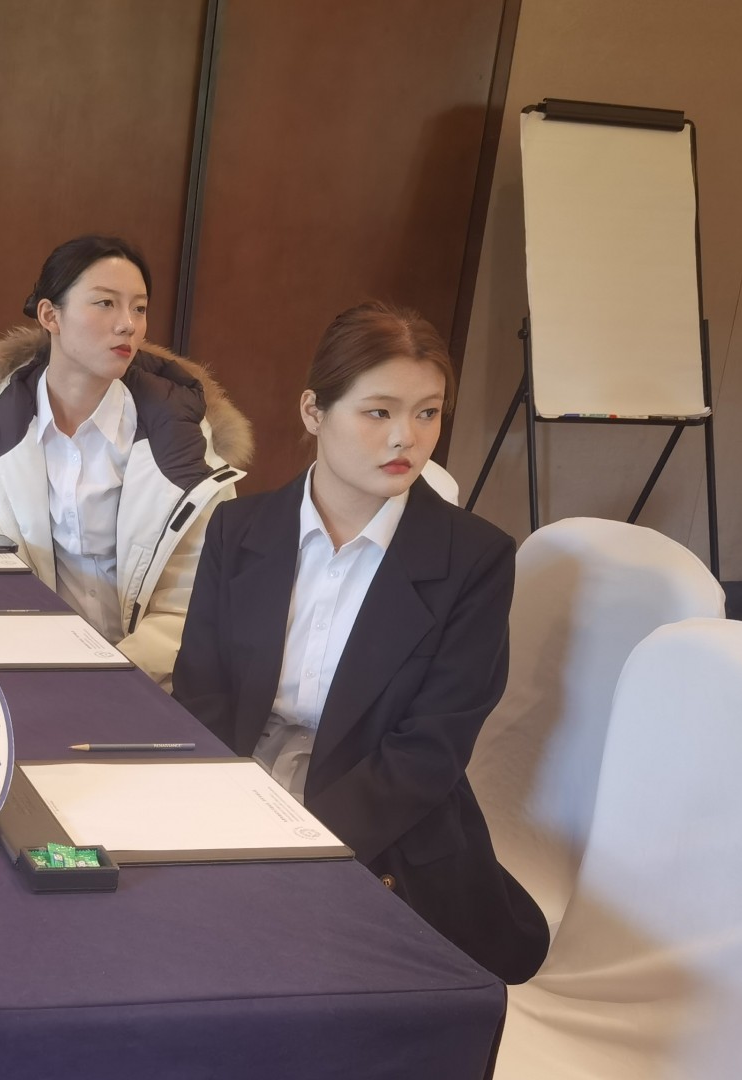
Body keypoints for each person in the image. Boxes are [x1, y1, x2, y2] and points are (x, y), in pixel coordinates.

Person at [172, 301, 548, 983]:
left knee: (283, 971)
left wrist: (294, 846)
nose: (406, 438)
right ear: (314, 412)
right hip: (242, 786)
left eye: (427, 413)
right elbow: (202, 695)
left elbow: (429, 751)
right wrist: (221, 819)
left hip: (379, 821)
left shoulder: (475, 559)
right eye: (379, 412)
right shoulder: (239, 529)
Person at [0, 235, 252, 686]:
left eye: (139, 308)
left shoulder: (182, 444)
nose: (128, 324)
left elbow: (190, 598)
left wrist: (111, 674)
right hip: (31, 667)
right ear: (50, 315)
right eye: (106, 303)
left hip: (153, 679)